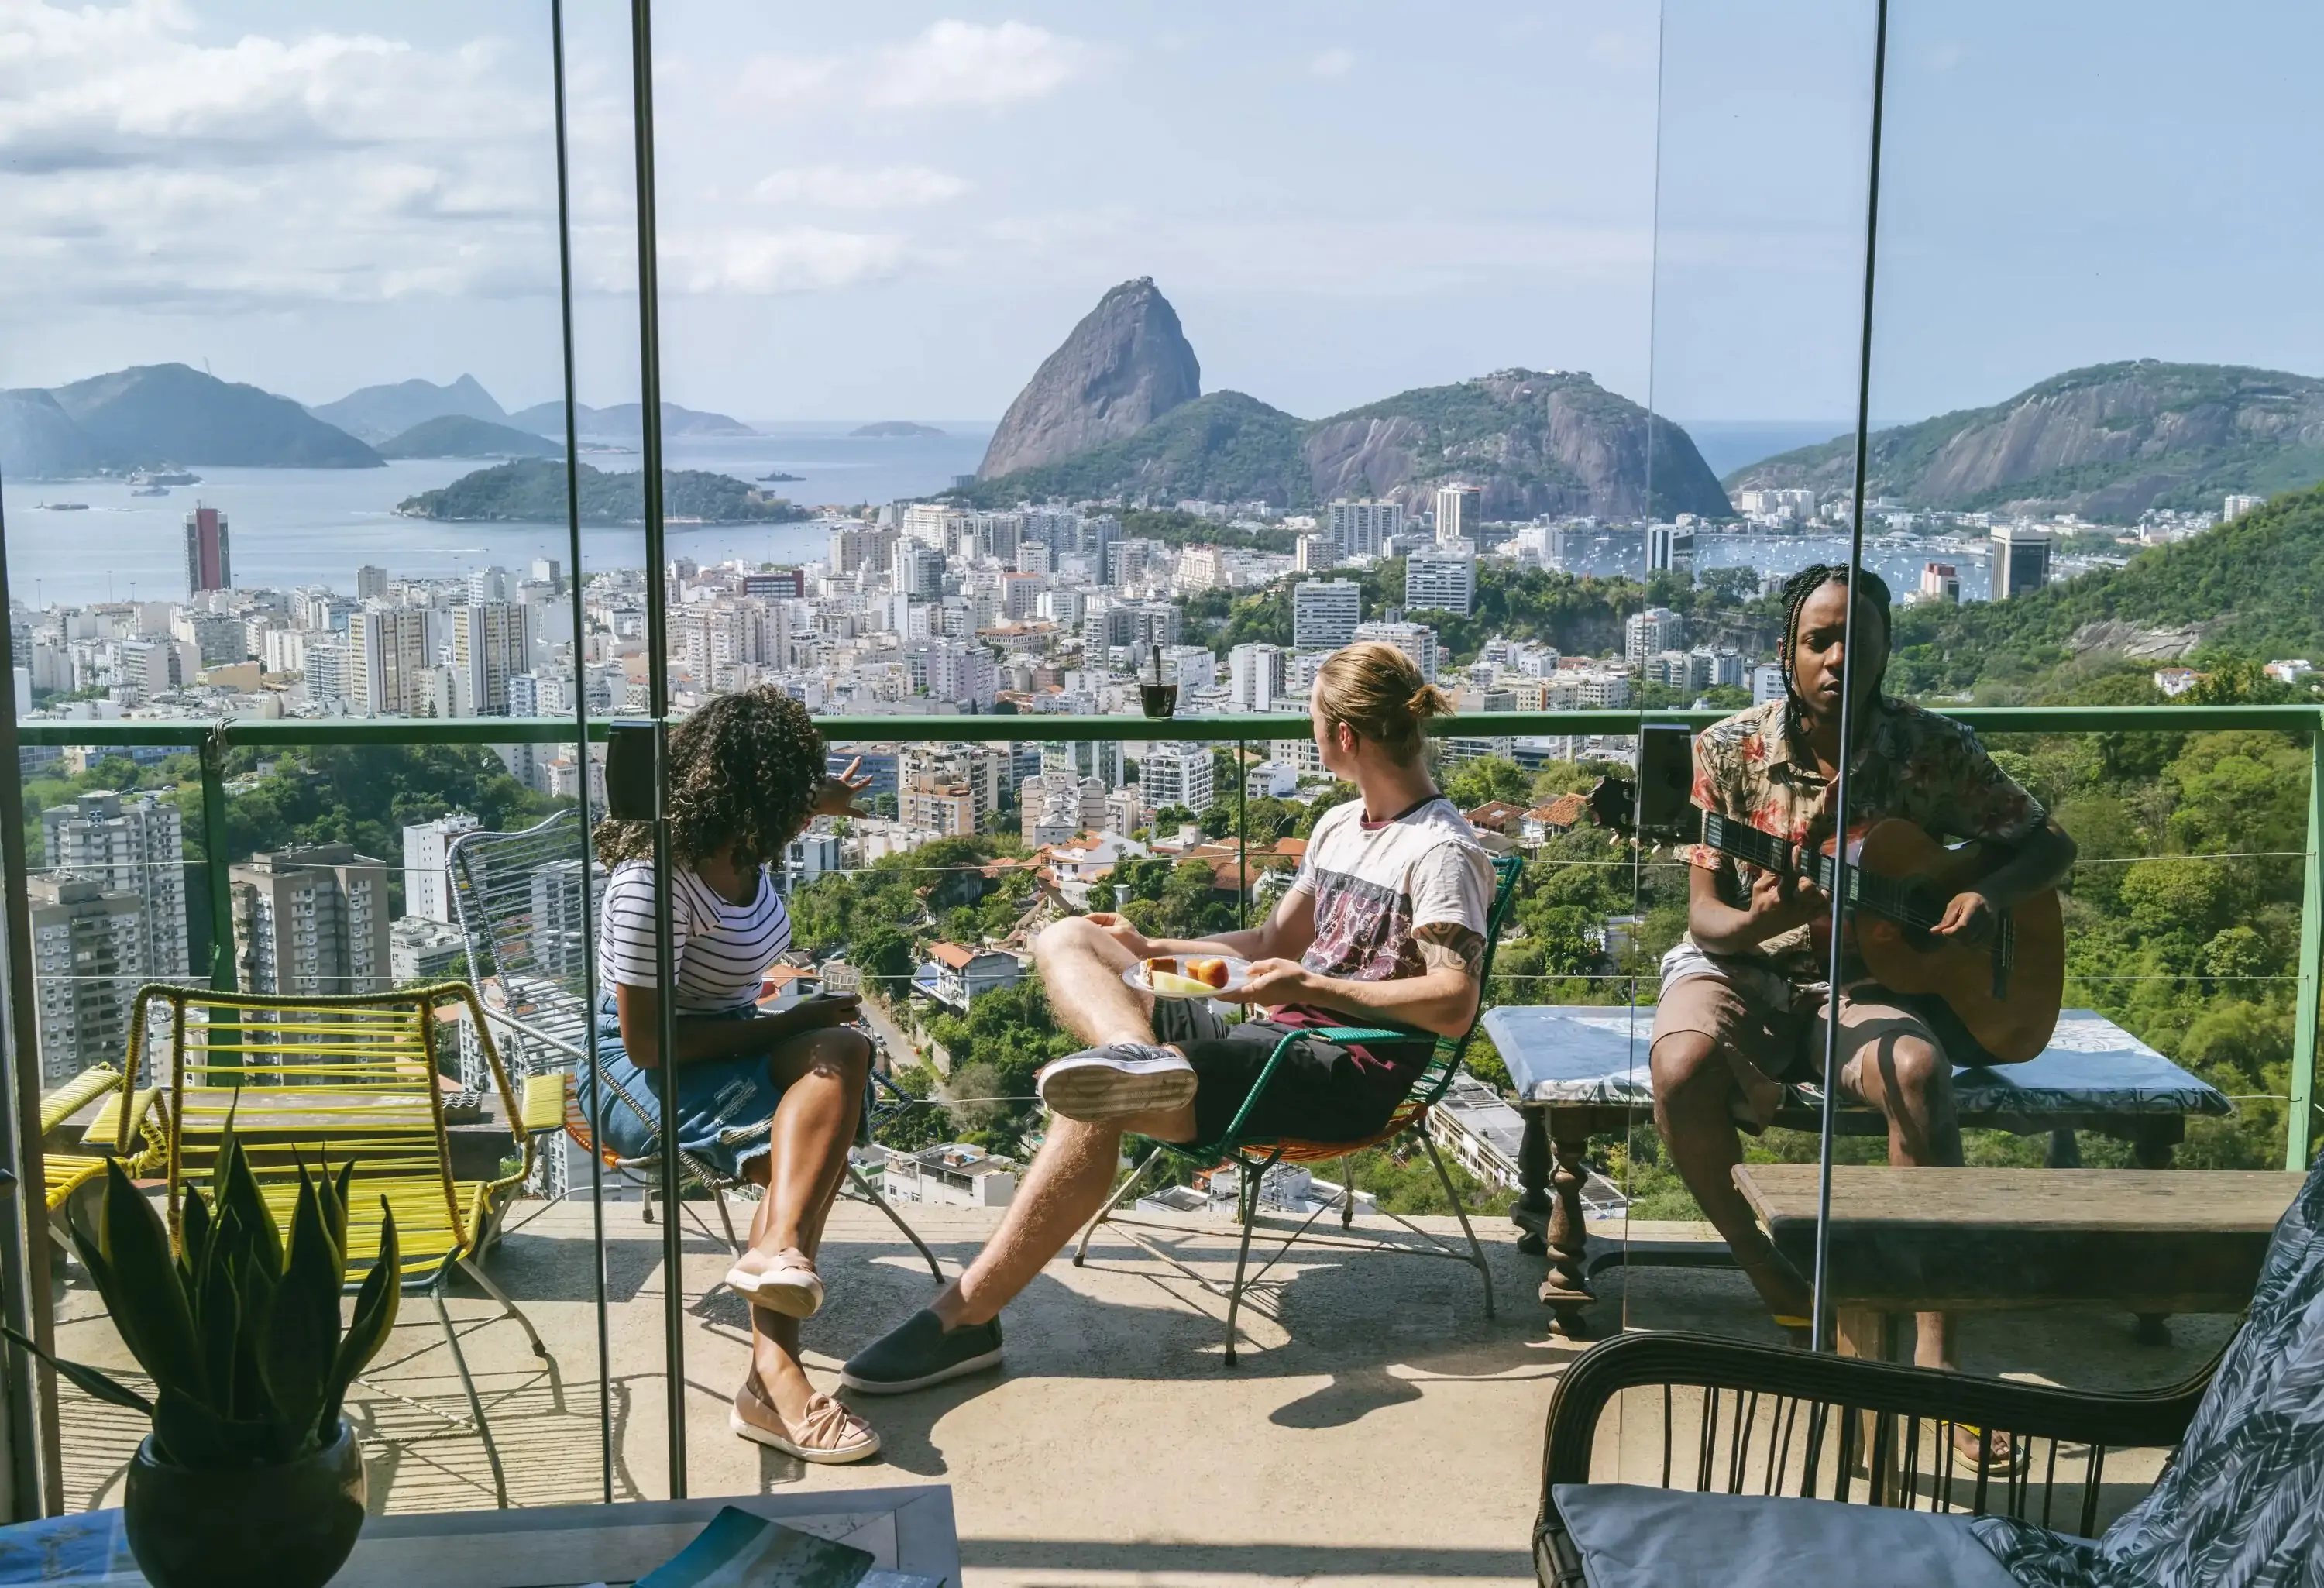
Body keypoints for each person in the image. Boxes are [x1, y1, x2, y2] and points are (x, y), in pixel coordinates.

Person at [841, 640, 1494, 1394]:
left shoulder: (1440, 852)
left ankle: (962, 1318)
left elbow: (1452, 1001)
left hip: (1338, 1067)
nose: (1309, 735)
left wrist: (1318, 987)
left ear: (1344, 736)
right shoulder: (1339, 826)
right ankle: (1133, 1054)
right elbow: (1266, 945)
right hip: (1269, 1040)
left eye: (1312, 721)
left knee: (1098, 1103)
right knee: (1069, 936)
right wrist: (1149, 949)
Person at [1648, 565, 2075, 1456]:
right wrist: (1765, 915)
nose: (1840, 656)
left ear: (1886, 651)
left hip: (1867, 987)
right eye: (1820, 640)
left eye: (1860, 640)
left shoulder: (1933, 747)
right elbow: (1706, 916)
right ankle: (1778, 1282)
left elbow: (2048, 844)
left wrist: (1988, 898)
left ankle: (1937, 1356)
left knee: (1918, 1073)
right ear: (1786, 651)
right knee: (1679, 1068)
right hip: (1746, 966)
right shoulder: (1727, 750)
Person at [590, 686, 884, 1463]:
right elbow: (647, 1045)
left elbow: (787, 799)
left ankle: (775, 1248)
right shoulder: (656, 882)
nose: (801, 815)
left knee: (847, 1054)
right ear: (746, 796)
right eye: (788, 794)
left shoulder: (743, 837)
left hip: (729, 1037)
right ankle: (774, 1376)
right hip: (639, 1072)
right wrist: (789, 1022)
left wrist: (820, 798)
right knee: (796, 1155)